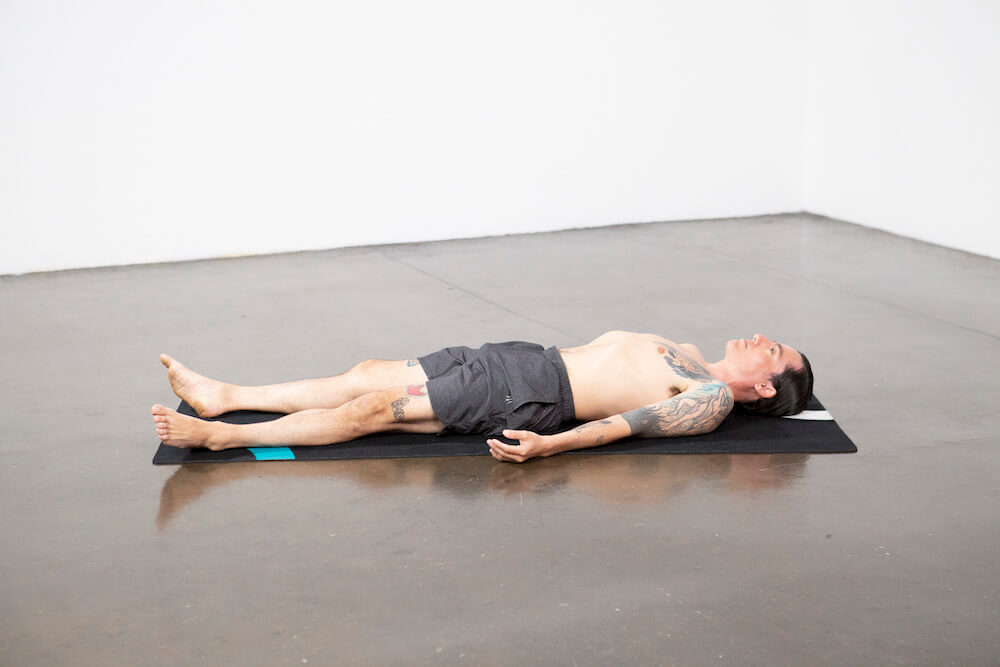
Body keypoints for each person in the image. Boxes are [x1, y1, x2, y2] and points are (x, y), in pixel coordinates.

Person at [151, 330, 813, 463]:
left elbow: (628, 425)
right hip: (520, 358)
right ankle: (224, 394)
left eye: (774, 350)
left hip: (531, 392)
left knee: (369, 410)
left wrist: (550, 443)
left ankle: (221, 433)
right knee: (366, 371)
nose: (762, 337)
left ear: (762, 385)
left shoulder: (708, 396)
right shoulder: (691, 352)